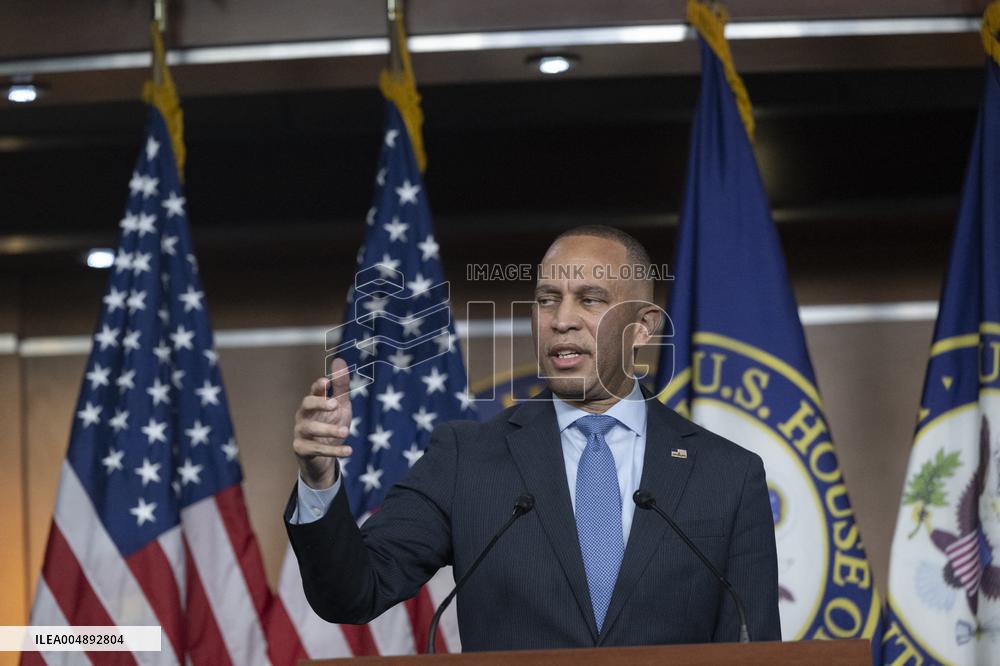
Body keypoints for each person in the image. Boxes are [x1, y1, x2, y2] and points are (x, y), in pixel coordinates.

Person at [284, 225, 780, 651]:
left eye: (590, 299)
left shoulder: (728, 475)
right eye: (547, 300)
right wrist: (318, 479)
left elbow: (753, 647)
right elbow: (353, 594)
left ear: (642, 327)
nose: (561, 320)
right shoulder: (465, 459)